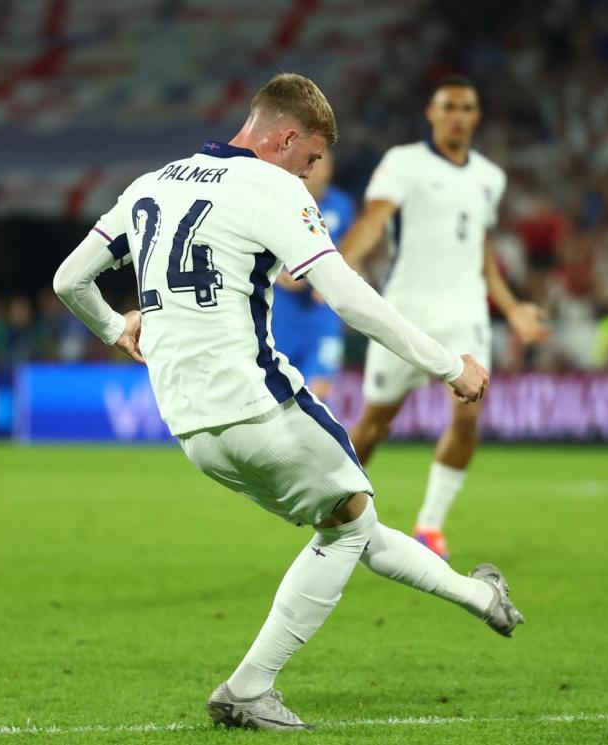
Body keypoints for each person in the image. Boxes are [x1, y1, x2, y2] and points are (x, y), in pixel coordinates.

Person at [52, 73, 524, 731]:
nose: (309, 177)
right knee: (351, 522)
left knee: (347, 520)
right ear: (285, 136)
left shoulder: (152, 182)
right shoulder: (271, 187)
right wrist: (449, 364)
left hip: (190, 427)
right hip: (259, 404)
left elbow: (68, 278)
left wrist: (113, 326)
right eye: (309, 160)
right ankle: (248, 687)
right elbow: (349, 296)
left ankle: (481, 596)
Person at [341, 75, 549, 560]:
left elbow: (480, 248)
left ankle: (429, 526)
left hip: (465, 315)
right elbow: (374, 219)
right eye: (448, 107)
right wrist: (332, 263)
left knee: (468, 412)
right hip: (405, 314)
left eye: (467, 108)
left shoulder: (489, 178)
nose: (458, 116)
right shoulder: (403, 163)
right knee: (373, 425)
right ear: (431, 114)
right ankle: (337, 511)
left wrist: (513, 307)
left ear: (476, 118)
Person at [271, 152, 357, 399]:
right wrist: (279, 274)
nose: (317, 170)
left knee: (318, 393)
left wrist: (340, 279)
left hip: (321, 316)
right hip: (280, 316)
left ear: (331, 170)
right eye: (312, 163)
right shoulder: (278, 203)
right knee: (277, 397)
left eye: (323, 164)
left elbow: (352, 251)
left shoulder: (341, 205)